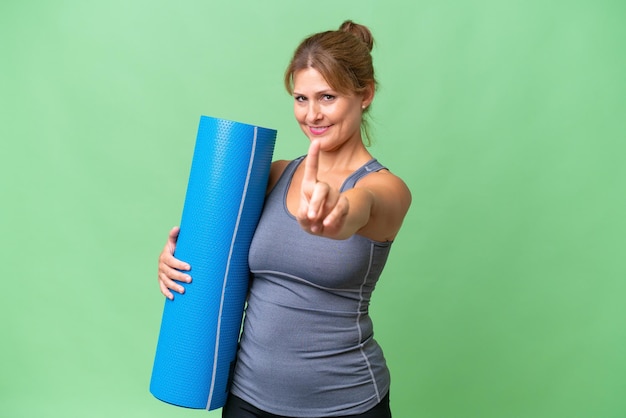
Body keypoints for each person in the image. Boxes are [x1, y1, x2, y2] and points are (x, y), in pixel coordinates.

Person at [157, 20, 412, 418]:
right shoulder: (272, 175)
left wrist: (338, 211)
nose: (312, 115)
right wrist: (174, 262)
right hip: (247, 399)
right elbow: (218, 261)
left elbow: (360, 207)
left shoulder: (387, 189)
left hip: (346, 404)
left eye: (327, 97)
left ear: (365, 95)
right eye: (301, 98)